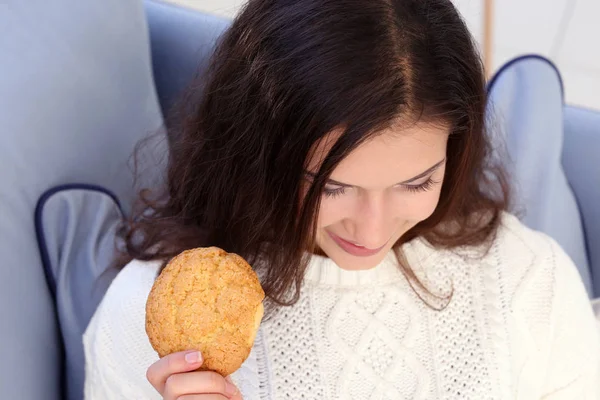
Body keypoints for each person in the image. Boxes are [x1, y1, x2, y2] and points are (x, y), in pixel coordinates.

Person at [83, 0, 600, 398]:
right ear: (256, 150)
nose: (372, 231)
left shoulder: (530, 279)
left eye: (417, 182)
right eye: (332, 187)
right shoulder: (147, 326)